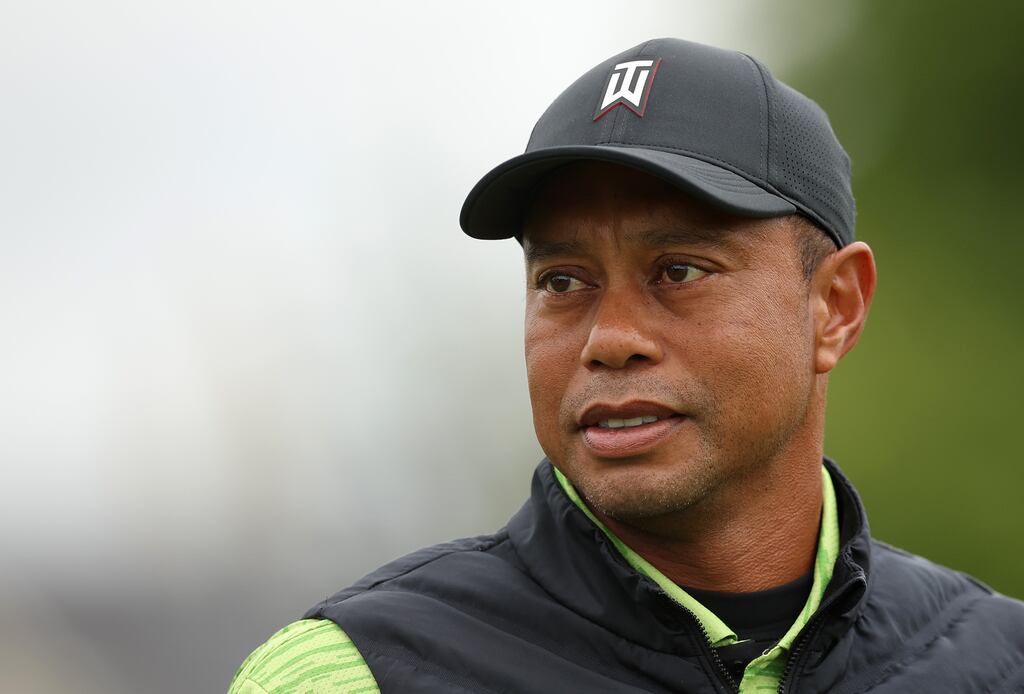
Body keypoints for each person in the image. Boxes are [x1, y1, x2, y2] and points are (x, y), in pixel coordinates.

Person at [228, 37, 1024, 694]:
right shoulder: (353, 673)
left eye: (678, 271)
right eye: (562, 282)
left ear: (835, 307)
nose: (609, 339)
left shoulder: (1001, 662)